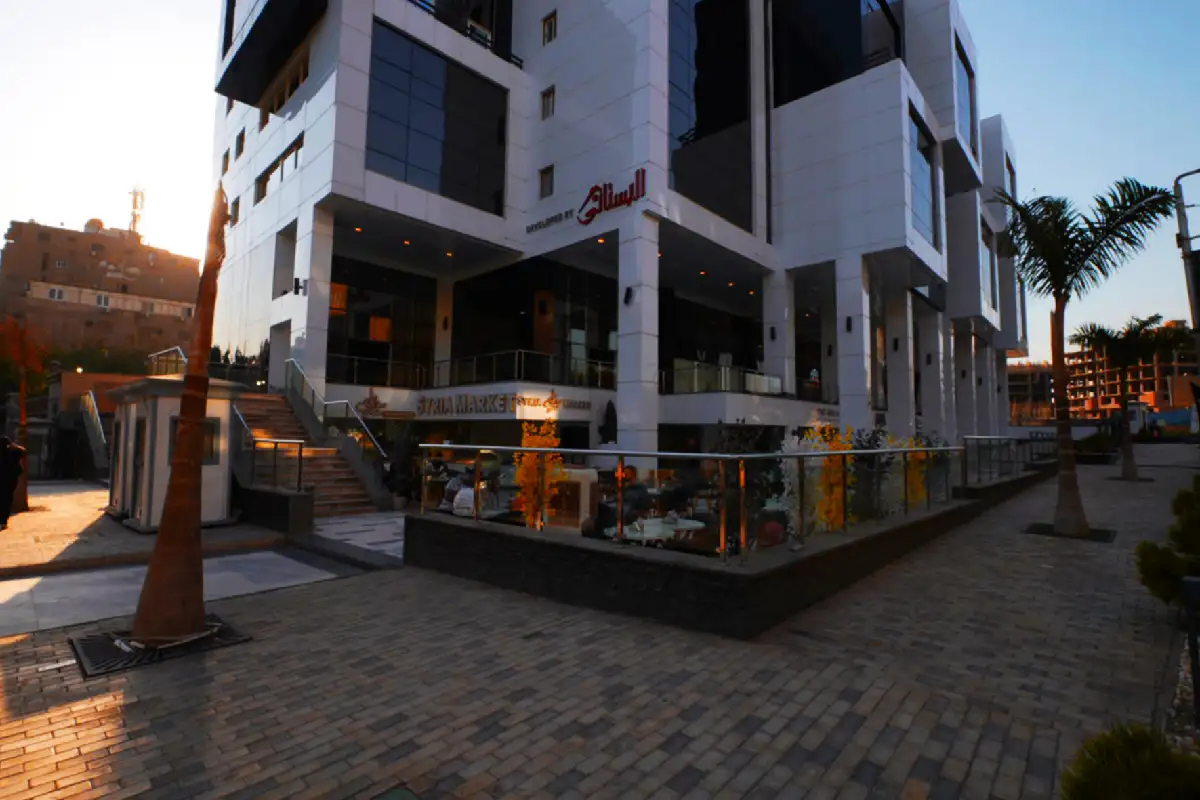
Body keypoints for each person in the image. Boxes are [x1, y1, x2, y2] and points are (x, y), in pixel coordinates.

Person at [0, 436, 27, 529]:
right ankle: (3, 521)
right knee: (7, 500)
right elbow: (23, 451)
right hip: (10, 480)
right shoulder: (13, 452)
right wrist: (13, 445)